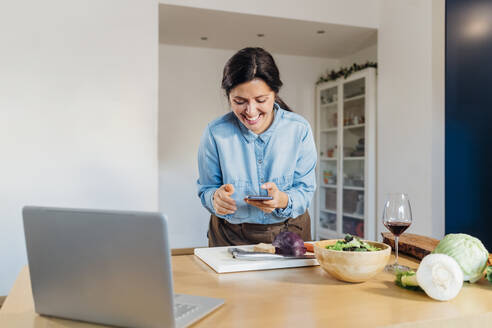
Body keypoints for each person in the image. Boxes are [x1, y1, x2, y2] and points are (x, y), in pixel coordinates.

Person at [197, 47, 317, 247]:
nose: (251, 111)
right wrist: (214, 199)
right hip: (229, 236)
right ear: (228, 97)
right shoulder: (215, 133)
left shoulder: (299, 130)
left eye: (261, 100)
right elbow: (206, 189)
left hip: (290, 233)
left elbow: (305, 190)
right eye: (239, 101)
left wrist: (282, 200)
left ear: (275, 93)